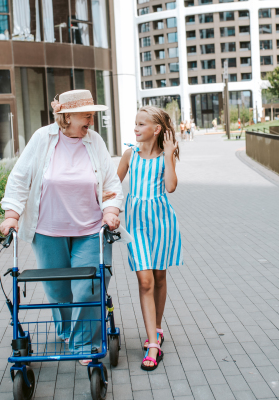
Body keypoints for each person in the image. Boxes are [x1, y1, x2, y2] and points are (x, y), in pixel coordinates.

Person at [0, 89, 124, 364]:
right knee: (58, 290)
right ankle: (67, 331)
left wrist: (111, 211)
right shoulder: (43, 138)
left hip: (91, 228)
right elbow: (20, 178)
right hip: (47, 230)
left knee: (88, 286)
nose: (91, 121)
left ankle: (82, 344)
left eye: (92, 115)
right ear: (66, 116)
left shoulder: (95, 141)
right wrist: (12, 215)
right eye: (86, 115)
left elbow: (112, 184)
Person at [117, 106, 183, 371]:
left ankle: (155, 328)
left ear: (156, 130)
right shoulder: (129, 155)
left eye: (141, 124)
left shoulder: (166, 156)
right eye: (135, 123)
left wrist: (169, 156)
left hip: (161, 224)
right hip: (137, 227)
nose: (135, 128)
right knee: (145, 281)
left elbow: (170, 187)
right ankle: (153, 344)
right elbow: (113, 186)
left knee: (159, 277)